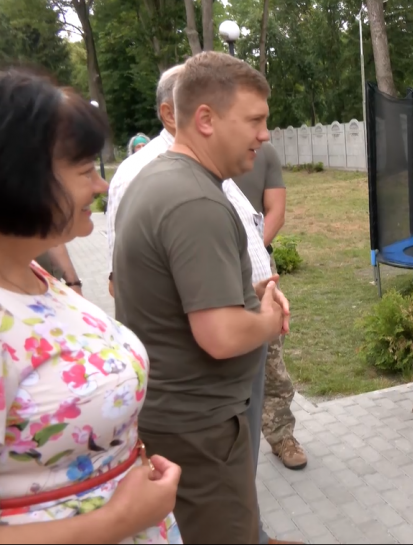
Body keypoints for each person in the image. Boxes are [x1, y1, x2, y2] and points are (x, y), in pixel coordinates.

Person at [0, 70, 180, 542]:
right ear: (12, 176)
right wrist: (117, 520)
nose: (100, 186)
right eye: (84, 171)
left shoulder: (29, 275)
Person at [113, 52, 290, 544]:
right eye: (254, 120)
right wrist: (268, 317)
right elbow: (221, 335)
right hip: (200, 429)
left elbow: (179, 299)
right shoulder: (196, 200)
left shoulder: (161, 179)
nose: (265, 135)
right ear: (206, 119)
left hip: (177, 420)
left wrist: (244, 296)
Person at [233, 140, 306, 471]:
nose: (261, 131)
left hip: (259, 268)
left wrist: (249, 252)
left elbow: (276, 211)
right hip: (212, 270)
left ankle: (281, 435)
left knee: (271, 360)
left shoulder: (265, 153)